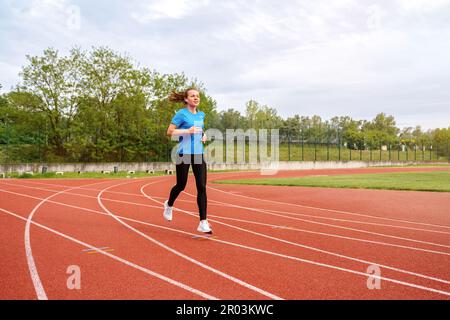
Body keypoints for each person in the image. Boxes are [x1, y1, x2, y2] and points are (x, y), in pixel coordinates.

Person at [163, 88, 212, 234]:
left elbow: (200, 129)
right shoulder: (181, 114)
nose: (196, 98)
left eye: (197, 96)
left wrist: (204, 135)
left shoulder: (201, 114)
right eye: (192, 96)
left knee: (202, 187)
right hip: (184, 153)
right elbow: (169, 132)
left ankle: (203, 222)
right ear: (186, 99)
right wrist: (187, 131)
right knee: (181, 184)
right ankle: (169, 204)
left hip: (198, 154)